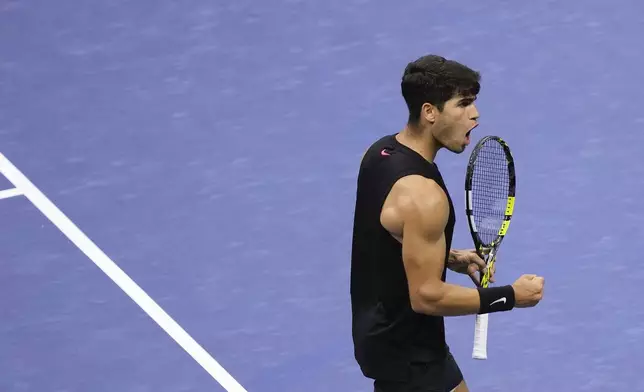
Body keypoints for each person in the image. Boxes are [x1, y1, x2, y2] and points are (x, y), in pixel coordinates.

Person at [349, 54, 545, 392]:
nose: (475, 114)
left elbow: (388, 234)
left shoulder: (380, 152)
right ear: (430, 112)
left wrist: (449, 257)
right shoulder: (425, 196)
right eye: (464, 104)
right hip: (410, 354)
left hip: (381, 334)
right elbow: (427, 296)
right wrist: (510, 296)